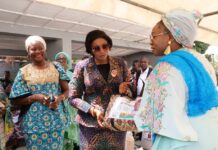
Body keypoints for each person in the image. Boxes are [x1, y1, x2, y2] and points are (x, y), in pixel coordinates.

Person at [134, 9, 218, 149]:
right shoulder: (203, 61)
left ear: (170, 37)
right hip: (210, 137)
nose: (150, 41)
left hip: (182, 143)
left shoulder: (166, 66)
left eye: (154, 35)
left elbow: (154, 117)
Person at [69, 30, 132, 149]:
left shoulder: (120, 64)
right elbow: (72, 98)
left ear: (109, 45)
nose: (102, 51)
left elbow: (132, 87)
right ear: (90, 50)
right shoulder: (82, 66)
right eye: (96, 48)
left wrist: (126, 88)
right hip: (90, 125)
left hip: (115, 123)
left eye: (105, 46)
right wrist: (92, 110)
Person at [9, 35, 70, 150]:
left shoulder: (56, 67)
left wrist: (60, 98)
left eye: (40, 48)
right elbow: (15, 100)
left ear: (45, 49)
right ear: (28, 51)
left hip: (56, 120)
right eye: (33, 49)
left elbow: (67, 90)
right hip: (33, 123)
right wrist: (34, 97)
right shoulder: (23, 71)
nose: (37, 51)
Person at [55, 52, 80, 150]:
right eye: (58, 59)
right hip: (57, 107)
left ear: (68, 61)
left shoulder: (72, 75)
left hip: (71, 108)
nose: (61, 61)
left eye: (63, 59)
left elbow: (77, 91)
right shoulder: (52, 75)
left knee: (70, 134)